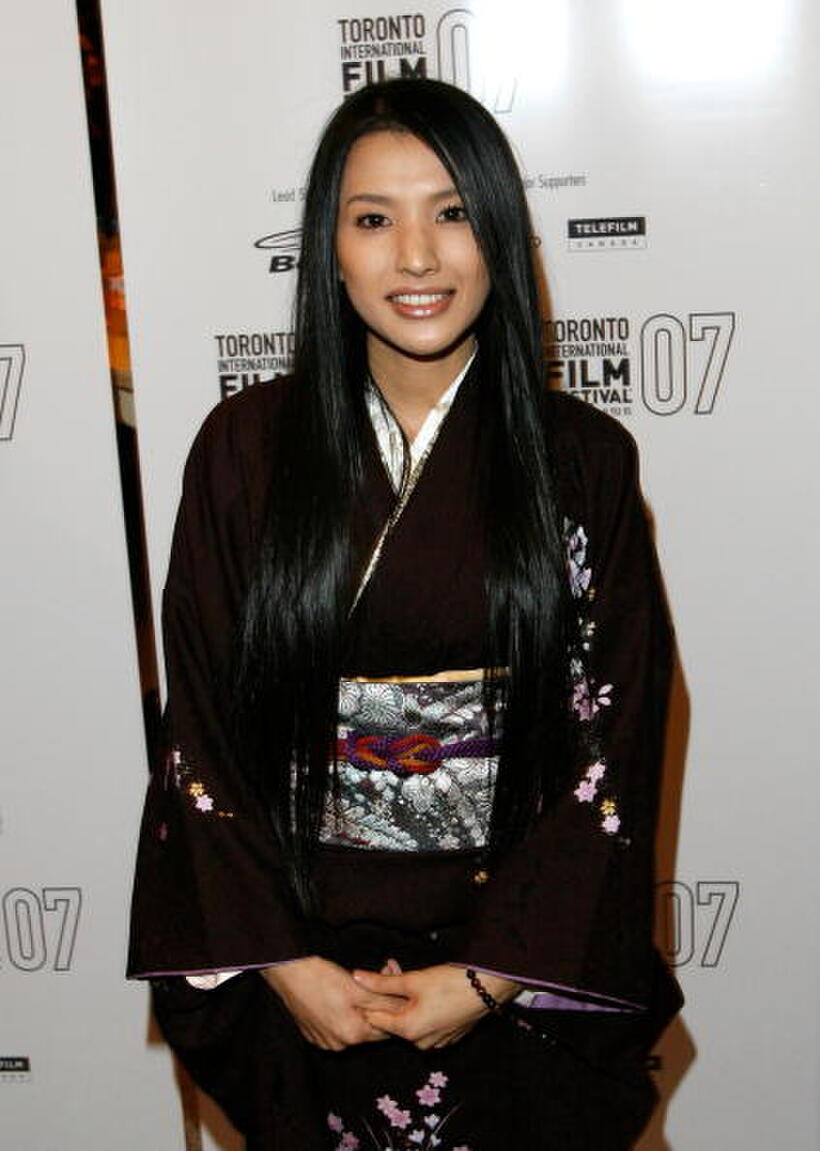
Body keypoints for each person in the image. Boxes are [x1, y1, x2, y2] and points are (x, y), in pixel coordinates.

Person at [128, 78, 682, 1150]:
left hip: (498, 950)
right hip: (305, 956)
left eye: (453, 212)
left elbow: (613, 731)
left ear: (503, 235)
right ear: (328, 250)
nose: (416, 258)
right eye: (374, 219)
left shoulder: (583, 459)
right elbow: (199, 716)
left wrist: (490, 973)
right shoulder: (243, 450)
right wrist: (283, 960)